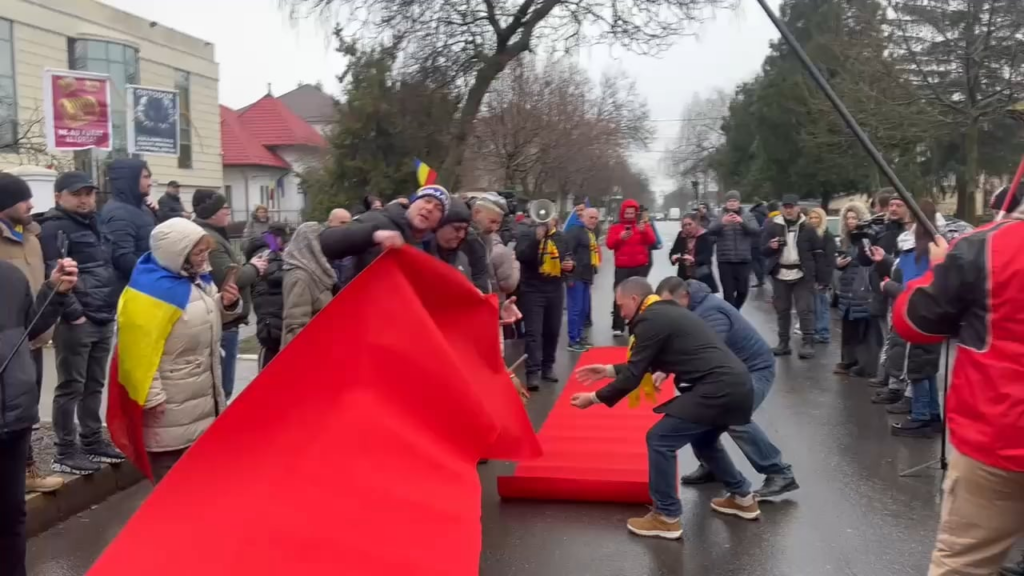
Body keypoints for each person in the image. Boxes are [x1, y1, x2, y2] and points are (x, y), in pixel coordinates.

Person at [571, 278, 758, 539]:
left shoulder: (652, 319)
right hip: (735, 385)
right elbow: (649, 361)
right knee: (705, 442)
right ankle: (743, 498)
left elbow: (635, 373)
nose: (620, 312)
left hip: (719, 388)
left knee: (660, 439)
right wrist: (609, 370)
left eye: (621, 305)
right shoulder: (664, 313)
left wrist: (594, 397)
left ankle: (666, 516)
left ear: (634, 300)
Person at [890, 211, 1024, 576]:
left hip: (999, 440)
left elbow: (916, 322)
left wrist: (938, 268)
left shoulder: (984, 246)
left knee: (964, 563)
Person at [655, 277, 799, 500]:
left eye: (670, 305)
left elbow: (705, 354)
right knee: (696, 411)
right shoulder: (689, 311)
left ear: (685, 296)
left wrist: (668, 366)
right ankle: (713, 466)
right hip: (728, 373)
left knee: (734, 418)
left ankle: (779, 473)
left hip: (754, 370)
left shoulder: (711, 314)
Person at [133, 219, 242, 482]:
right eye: (198, 252)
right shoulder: (150, 293)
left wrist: (226, 304)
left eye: (206, 251)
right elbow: (136, 352)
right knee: (171, 492)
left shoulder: (197, 280)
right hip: (171, 408)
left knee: (199, 489)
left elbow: (199, 320)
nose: (205, 258)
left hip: (200, 399)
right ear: (177, 253)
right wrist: (152, 397)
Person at [37, 171, 124, 475]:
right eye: (77, 194)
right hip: (79, 320)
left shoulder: (96, 223)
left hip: (103, 316)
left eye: (89, 193)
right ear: (59, 197)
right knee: (71, 386)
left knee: (94, 384)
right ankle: (65, 450)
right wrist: (74, 313)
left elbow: (106, 265)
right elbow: (54, 274)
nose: (85, 199)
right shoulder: (54, 228)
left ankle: (91, 440)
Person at [1, 255, 78, 576]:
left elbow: (31, 326)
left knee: (11, 515)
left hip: (14, 416)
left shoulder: (10, 275)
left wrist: (54, 290)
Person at [0, 174, 64, 494]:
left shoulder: (33, 239)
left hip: (34, 337)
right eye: (23, 198)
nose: (31, 204)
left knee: (27, 410)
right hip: (7, 343)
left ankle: (26, 471)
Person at [869, 200, 943, 433]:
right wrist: (887, 262)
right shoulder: (929, 246)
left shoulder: (922, 249)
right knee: (926, 367)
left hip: (919, 316)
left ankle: (921, 415)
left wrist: (889, 286)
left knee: (918, 367)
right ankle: (931, 414)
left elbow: (916, 288)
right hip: (928, 316)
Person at [192, 189, 267, 399]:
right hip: (224, 323)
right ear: (213, 211)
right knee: (222, 390)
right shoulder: (210, 240)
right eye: (224, 207)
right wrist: (254, 268)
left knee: (221, 388)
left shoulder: (214, 235)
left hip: (227, 320)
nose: (228, 211)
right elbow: (228, 278)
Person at [320, 185, 450, 275]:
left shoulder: (432, 250)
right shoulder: (377, 220)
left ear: (439, 222)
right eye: (427, 200)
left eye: (438, 208)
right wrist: (372, 235)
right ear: (411, 203)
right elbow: (328, 241)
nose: (429, 208)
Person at [516, 212, 572, 391]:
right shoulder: (527, 233)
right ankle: (532, 372)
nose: (547, 222)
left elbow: (569, 257)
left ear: (555, 220)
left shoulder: (561, 237)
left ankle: (547, 367)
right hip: (533, 289)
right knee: (533, 333)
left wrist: (571, 266)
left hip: (554, 288)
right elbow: (522, 256)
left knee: (552, 331)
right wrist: (536, 240)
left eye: (550, 218)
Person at [762, 194, 820, 359]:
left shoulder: (808, 228)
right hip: (780, 272)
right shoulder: (773, 226)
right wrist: (770, 246)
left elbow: (818, 253)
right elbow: (762, 250)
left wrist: (820, 277)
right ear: (782, 209)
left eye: (791, 207)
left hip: (802, 274)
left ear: (798, 208)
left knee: (805, 309)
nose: (789, 210)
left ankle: (808, 342)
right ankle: (783, 343)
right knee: (782, 309)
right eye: (786, 207)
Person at [833, 203, 882, 378]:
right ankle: (848, 360)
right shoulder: (845, 239)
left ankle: (864, 365)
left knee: (863, 328)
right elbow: (838, 259)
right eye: (848, 218)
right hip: (847, 287)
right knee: (848, 327)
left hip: (862, 287)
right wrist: (837, 264)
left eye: (854, 218)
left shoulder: (867, 238)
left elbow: (869, 261)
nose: (850, 221)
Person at [98, 159, 157, 293]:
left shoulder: (142, 208)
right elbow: (122, 258)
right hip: (133, 290)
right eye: (145, 177)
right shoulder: (118, 213)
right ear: (131, 179)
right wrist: (153, 277)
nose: (150, 183)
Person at [281, 222, 338, 347]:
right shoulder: (300, 278)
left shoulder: (317, 272)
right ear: (311, 244)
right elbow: (295, 327)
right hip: (310, 356)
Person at [606, 199, 657, 336]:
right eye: (627, 213)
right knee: (620, 294)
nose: (629, 215)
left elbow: (652, 241)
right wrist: (620, 238)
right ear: (623, 213)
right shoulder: (616, 228)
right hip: (622, 267)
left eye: (631, 213)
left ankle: (638, 324)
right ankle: (618, 325)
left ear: (636, 213)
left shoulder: (642, 226)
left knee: (639, 296)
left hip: (639, 266)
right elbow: (609, 244)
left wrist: (645, 231)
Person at [245, 223, 289, 370]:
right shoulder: (268, 252)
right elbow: (274, 274)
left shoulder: (266, 250)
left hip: (267, 309)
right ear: (278, 239)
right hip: (270, 312)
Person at [707, 191, 761, 310]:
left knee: (743, 292)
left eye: (734, 201)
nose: (732, 204)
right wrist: (722, 223)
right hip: (725, 260)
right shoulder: (719, 216)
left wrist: (742, 223)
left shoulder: (747, 215)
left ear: (739, 203)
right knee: (728, 293)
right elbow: (710, 230)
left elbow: (756, 231)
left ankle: (734, 312)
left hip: (743, 259)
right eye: (729, 201)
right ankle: (732, 317)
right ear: (726, 203)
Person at [565, 207, 600, 352]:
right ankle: (573, 340)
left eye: (596, 218)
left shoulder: (589, 232)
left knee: (583, 309)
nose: (594, 221)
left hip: (586, 275)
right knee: (575, 308)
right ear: (582, 217)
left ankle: (579, 336)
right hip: (576, 276)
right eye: (591, 217)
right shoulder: (574, 231)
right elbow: (567, 252)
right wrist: (570, 274)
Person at [806, 207, 836, 344]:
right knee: (813, 305)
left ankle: (823, 333)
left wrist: (824, 279)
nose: (813, 220)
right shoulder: (808, 234)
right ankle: (816, 330)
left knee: (822, 305)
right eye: (811, 218)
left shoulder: (827, 236)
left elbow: (829, 259)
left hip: (822, 277)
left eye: (816, 217)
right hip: (811, 275)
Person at [425, 199, 474, 282]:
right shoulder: (419, 254)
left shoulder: (462, 259)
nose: (461, 235)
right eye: (457, 229)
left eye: (465, 230)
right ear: (438, 226)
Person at [668, 213, 716, 291]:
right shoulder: (681, 235)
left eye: (690, 224)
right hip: (684, 274)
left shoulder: (705, 235)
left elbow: (707, 255)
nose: (687, 227)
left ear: (696, 224)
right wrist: (673, 257)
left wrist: (693, 260)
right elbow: (673, 251)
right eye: (684, 225)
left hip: (701, 274)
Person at [749, 199, 769, 288]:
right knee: (761, 260)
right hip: (763, 240)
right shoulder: (765, 215)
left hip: (754, 241)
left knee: (754, 261)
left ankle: (760, 279)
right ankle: (763, 277)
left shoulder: (754, 215)